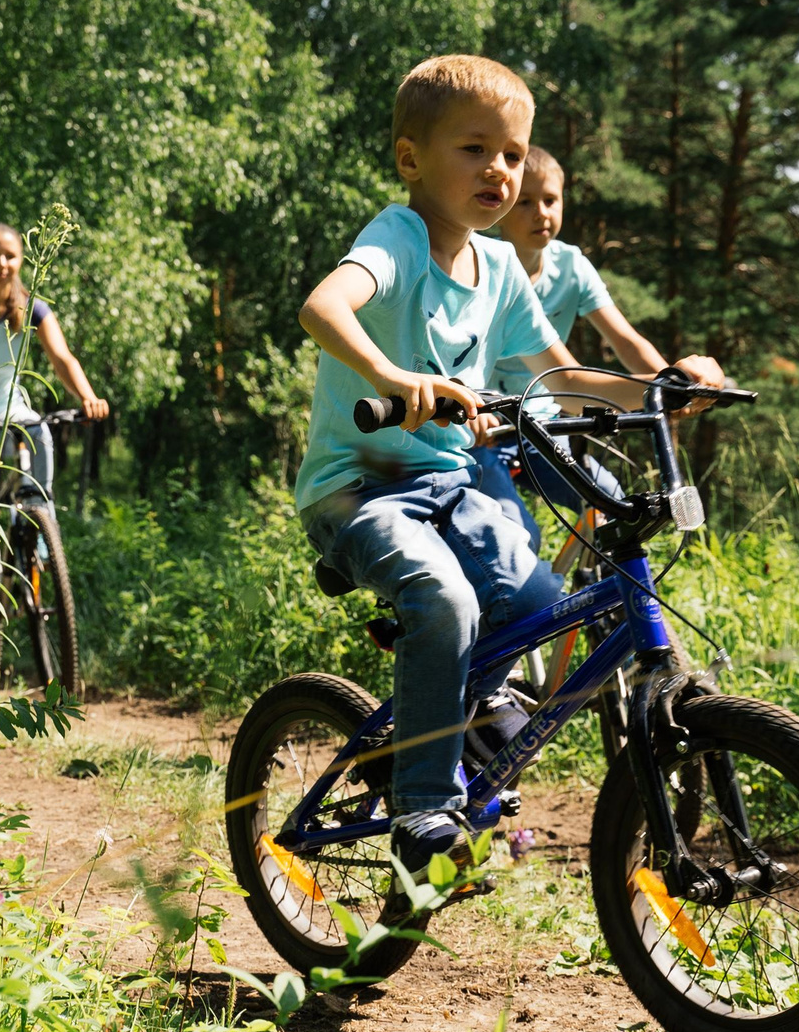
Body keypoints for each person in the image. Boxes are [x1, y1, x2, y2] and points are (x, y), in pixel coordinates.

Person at [294, 54, 726, 868]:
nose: (500, 169)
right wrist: (396, 377)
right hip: (358, 488)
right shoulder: (399, 239)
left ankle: (464, 710)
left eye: (515, 155)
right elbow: (323, 305)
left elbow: (561, 376)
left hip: (451, 481)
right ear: (411, 158)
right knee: (442, 596)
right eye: (475, 149)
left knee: (537, 604)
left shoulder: (499, 268)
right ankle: (424, 806)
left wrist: (661, 387)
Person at [0, 221, 109, 662]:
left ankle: (39, 526)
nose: (1, 263)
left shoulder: (31, 309)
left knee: (40, 431)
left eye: (9, 255)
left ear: (21, 261)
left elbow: (62, 358)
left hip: (12, 413)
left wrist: (87, 397)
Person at [474, 145, 671, 543]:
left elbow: (626, 340)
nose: (541, 212)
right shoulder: (481, 265)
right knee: (515, 534)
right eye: (526, 201)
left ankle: (593, 591)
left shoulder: (572, 266)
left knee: (614, 505)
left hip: (544, 423)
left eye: (550, 200)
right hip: (485, 425)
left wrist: (669, 384)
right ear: (503, 203)